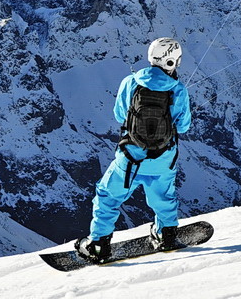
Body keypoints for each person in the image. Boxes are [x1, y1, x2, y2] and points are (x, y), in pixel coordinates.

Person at [76, 37, 192, 262]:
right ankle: (166, 236)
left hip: (130, 159)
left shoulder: (131, 82)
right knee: (164, 198)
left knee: (107, 196)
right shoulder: (179, 90)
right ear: (173, 61)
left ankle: (98, 245)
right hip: (163, 159)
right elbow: (184, 126)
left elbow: (120, 115)